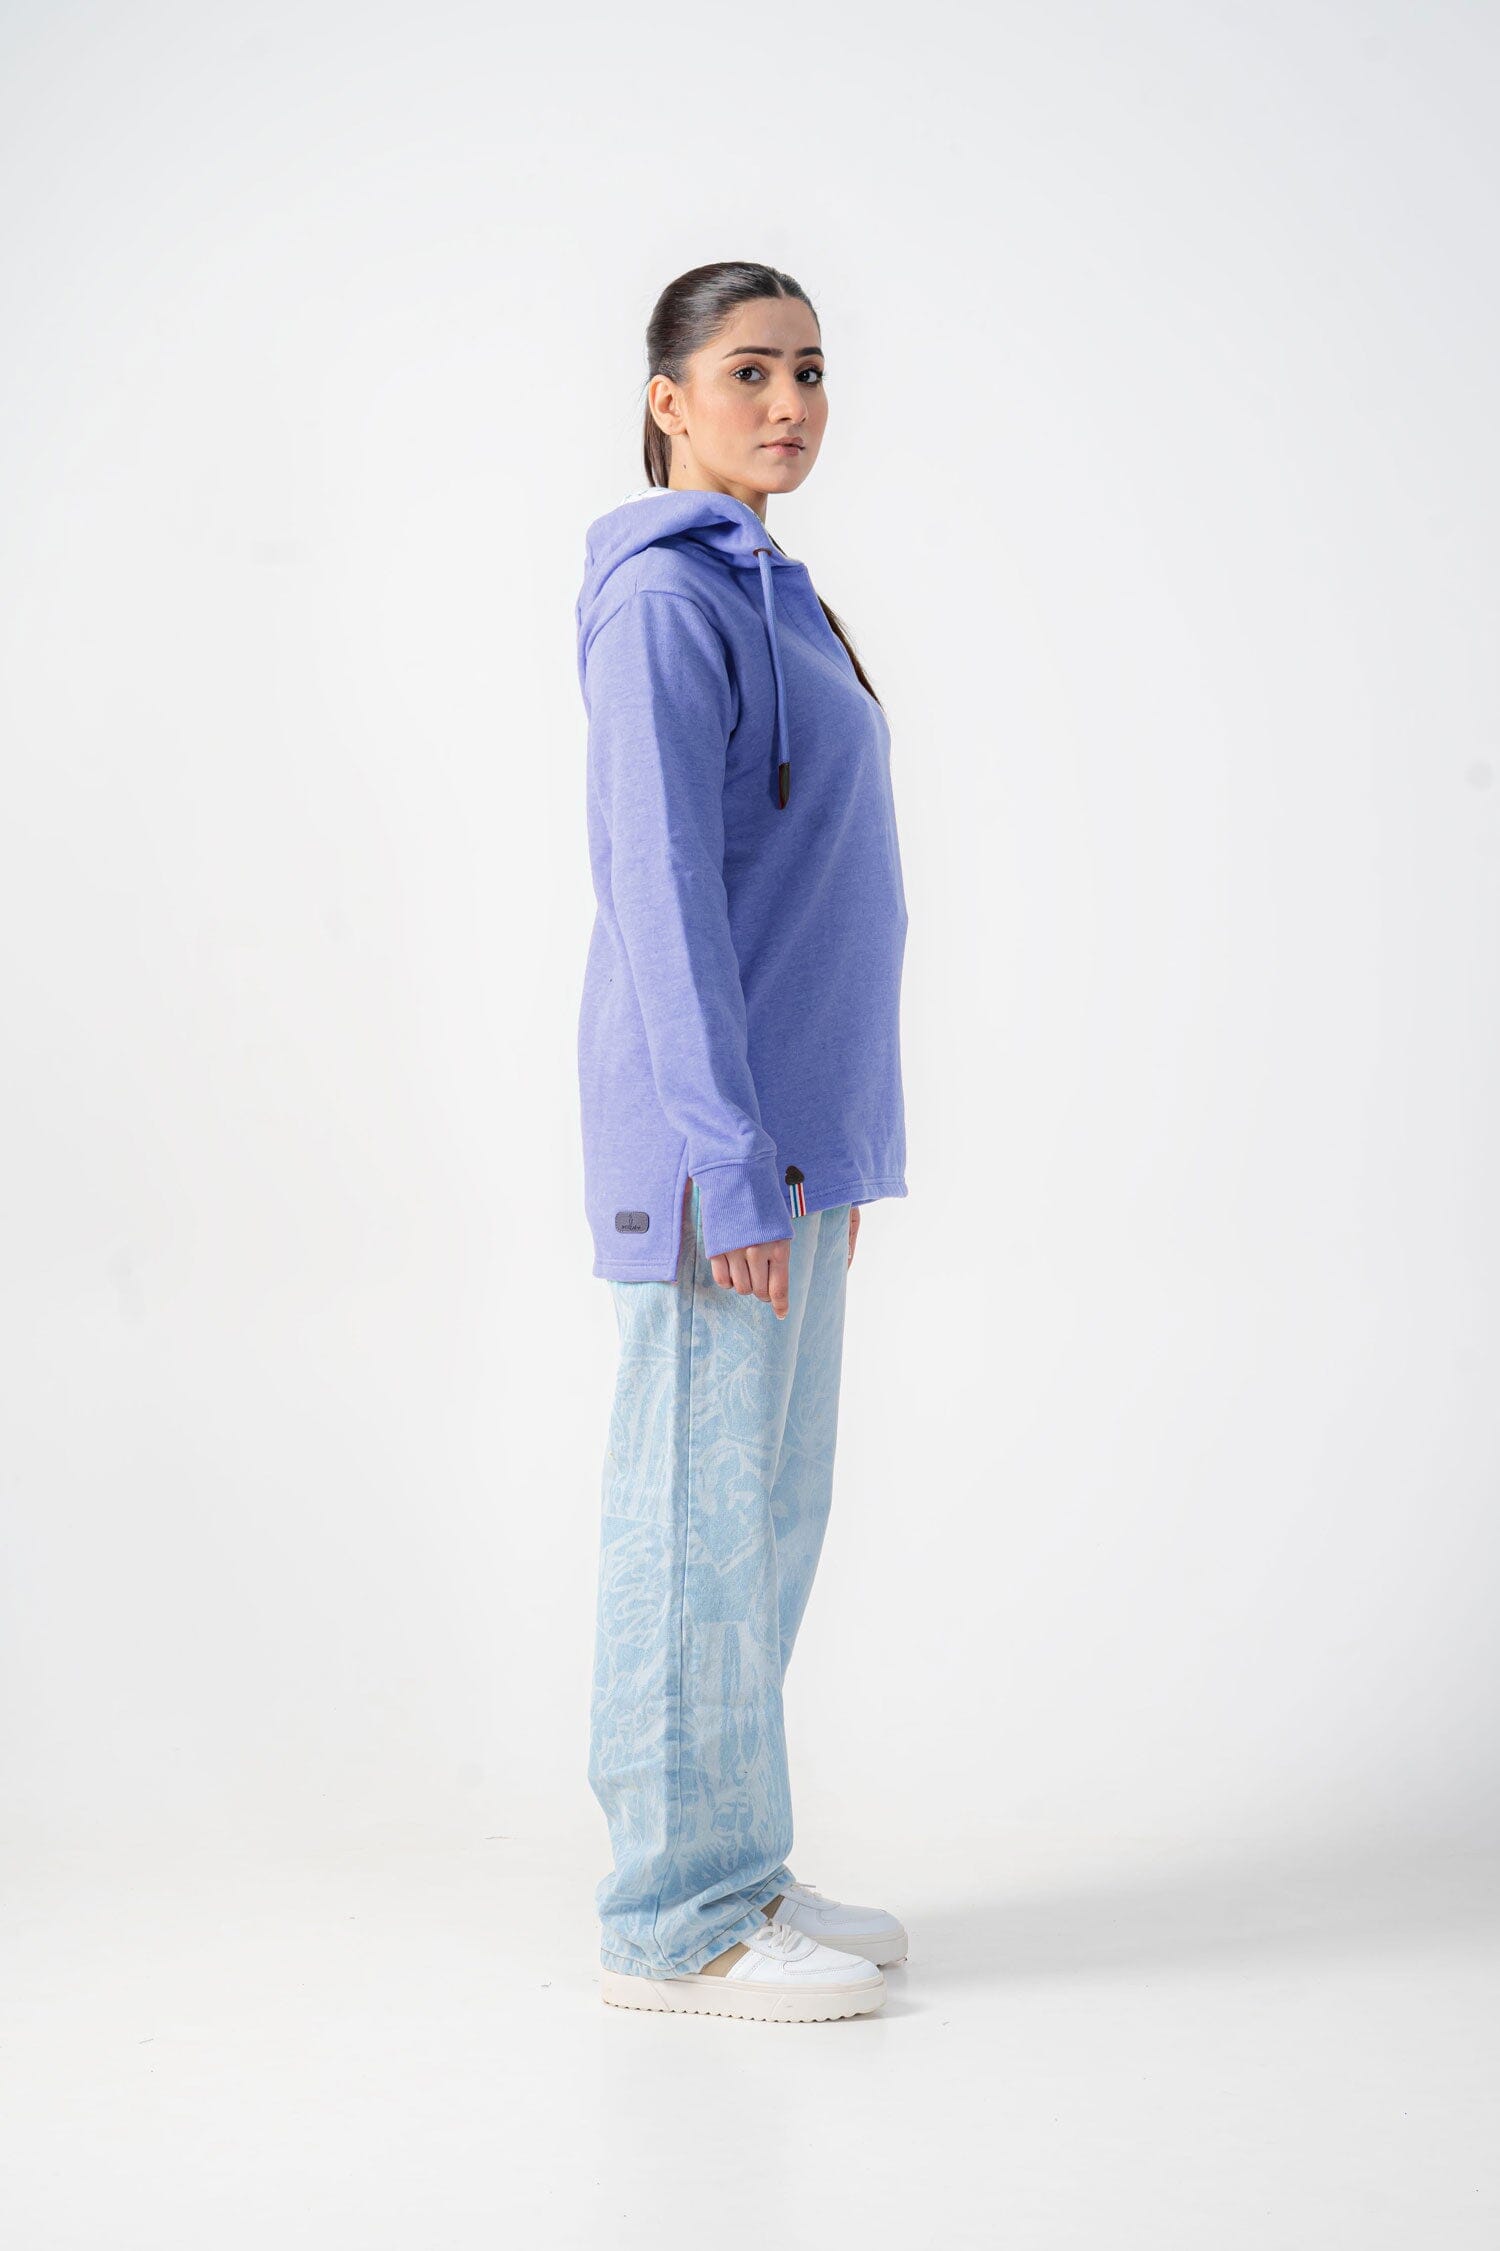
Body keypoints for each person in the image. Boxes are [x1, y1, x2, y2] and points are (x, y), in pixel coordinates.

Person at [574, 261, 910, 2024]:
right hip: (719, 1150)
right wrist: (726, 1156)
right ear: (669, 399)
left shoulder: (779, 592)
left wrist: (831, 1147)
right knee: (694, 1526)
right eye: (749, 371)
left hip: (798, 1144)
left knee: (768, 1523)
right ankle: (672, 1921)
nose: (789, 403)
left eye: (811, 370)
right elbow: (662, 893)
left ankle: (739, 1862)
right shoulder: (662, 603)